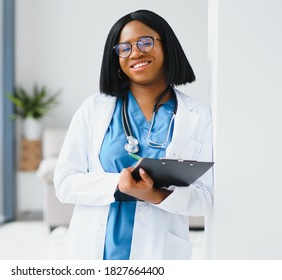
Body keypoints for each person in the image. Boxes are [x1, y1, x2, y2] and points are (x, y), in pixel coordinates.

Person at [53, 9, 213, 260]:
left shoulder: (198, 116)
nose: (136, 52)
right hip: (95, 249)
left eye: (145, 42)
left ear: (166, 45)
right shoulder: (94, 109)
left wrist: (154, 194)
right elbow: (64, 183)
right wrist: (118, 185)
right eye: (124, 48)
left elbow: (206, 198)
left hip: (158, 251)